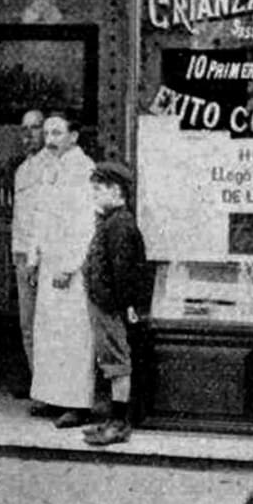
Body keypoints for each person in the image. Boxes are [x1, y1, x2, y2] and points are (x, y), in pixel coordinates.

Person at [27, 112, 97, 428]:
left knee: (73, 334)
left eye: (57, 133)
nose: (50, 140)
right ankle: (53, 397)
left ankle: (78, 403)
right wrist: (33, 258)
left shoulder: (83, 170)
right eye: (47, 133)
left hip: (71, 268)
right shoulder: (50, 169)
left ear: (74, 137)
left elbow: (85, 225)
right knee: (50, 333)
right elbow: (39, 216)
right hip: (49, 263)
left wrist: (70, 266)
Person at [81, 162, 150, 446]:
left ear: (115, 190)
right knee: (111, 363)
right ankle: (114, 419)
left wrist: (126, 305)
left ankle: (119, 424)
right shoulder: (112, 221)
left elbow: (125, 272)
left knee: (117, 364)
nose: (94, 195)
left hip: (111, 306)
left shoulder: (119, 225)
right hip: (105, 303)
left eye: (98, 189)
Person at [10, 109, 47, 398]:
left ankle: (48, 389)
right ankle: (38, 381)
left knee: (45, 324)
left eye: (35, 128)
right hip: (21, 253)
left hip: (42, 256)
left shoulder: (52, 167)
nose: (29, 134)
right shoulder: (23, 169)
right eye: (25, 129)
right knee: (28, 324)